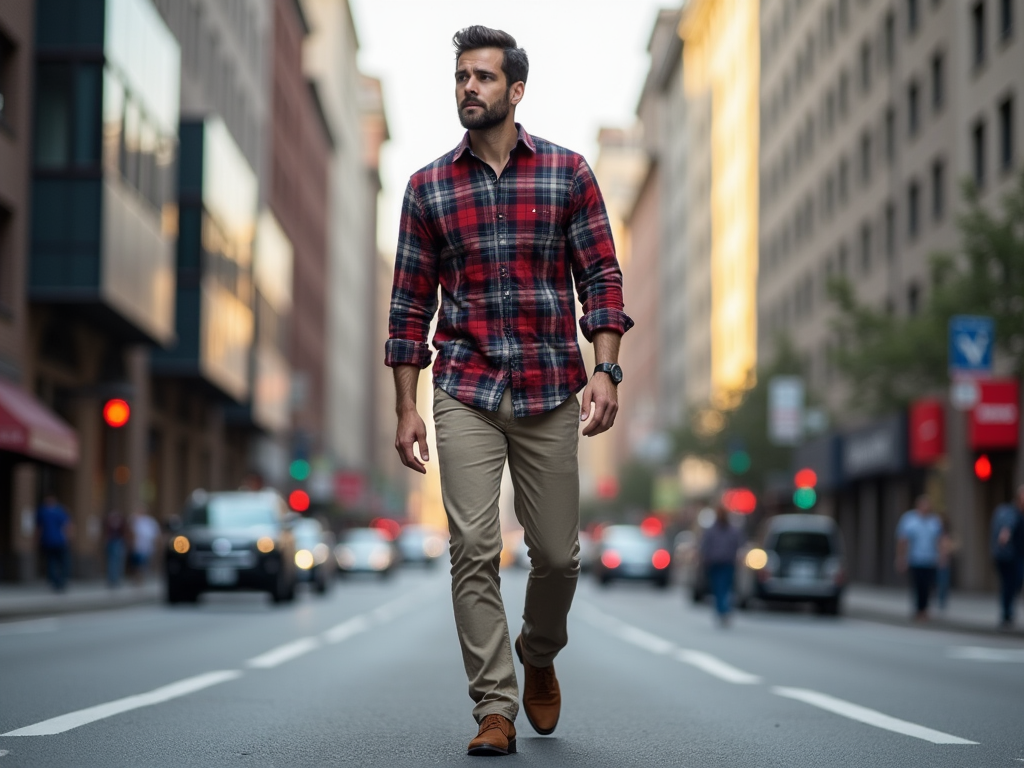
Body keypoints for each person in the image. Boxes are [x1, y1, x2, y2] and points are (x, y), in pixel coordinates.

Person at [386, 26, 632, 757]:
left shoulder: (568, 173)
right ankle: (495, 707)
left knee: (557, 556)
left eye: (484, 78)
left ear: (515, 90)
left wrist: (605, 367)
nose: (469, 88)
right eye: (461, 76)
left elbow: (603, 279)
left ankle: (540, 650)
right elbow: (407, 307)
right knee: (472, 547)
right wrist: (406, 406)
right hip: (463, 384)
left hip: (550, 384)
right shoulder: (426, 187)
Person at [895, 494, 943, 622]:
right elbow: (902, 540)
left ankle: (925, 610)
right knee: (917, 585)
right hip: (915, 559)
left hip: (930, 559)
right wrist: (901, 558)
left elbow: (939, 540)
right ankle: (918, 609)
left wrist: (942, 556)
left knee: (928, 586)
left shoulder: (934, 521)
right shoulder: (909, 520)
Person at [700, 503, 743, 626]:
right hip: (716, 563)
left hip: (726, 563)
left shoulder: (732, 530)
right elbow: (704, 546)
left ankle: (723, 609)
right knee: (720, 588)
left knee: (723, 588)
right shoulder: (712, 530)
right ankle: (722, 610)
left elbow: (739, 545)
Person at [990, 484, 1024, 629]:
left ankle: (1008, 612)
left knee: (1014, 584)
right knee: (1009, 584)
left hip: (1018, 555)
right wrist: (1004, 536)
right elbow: (1005, 530)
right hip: (1008, 556)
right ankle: (1006, 614)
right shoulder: (1010, 512)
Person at [35, 494, 72, 592]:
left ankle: (55, 582)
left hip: (49, 541)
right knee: (61, 562)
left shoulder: (43, 511)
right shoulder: (59, 511)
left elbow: (39, 528)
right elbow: (67, 526)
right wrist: (68, 538)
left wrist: (38, 540)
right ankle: (60, 582)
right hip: (58, 541)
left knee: (51, 562)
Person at [128, 509, 160, 585]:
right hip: (137, 547)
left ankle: (141, 577)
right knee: (137, 563)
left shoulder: (150, 521)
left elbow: (155, 534)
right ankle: (137, 578)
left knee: (143, 563)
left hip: (147, 547)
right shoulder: (135, 521)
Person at [935, 514, 957, 612]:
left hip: (945, 563)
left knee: (944, 583)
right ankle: (939, 600)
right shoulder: (936, 535)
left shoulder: (948, 535)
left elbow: (954, 547)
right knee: (939, 583)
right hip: (937, 563)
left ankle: (942, 601)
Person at [102, 509, 127, 588]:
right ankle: (112, 580)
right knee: (112, 562)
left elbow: (124, 532)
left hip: (118, 542)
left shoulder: (120, 524)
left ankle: (115, 579)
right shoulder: (109, 524)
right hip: (112, 543)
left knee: (117, 562)